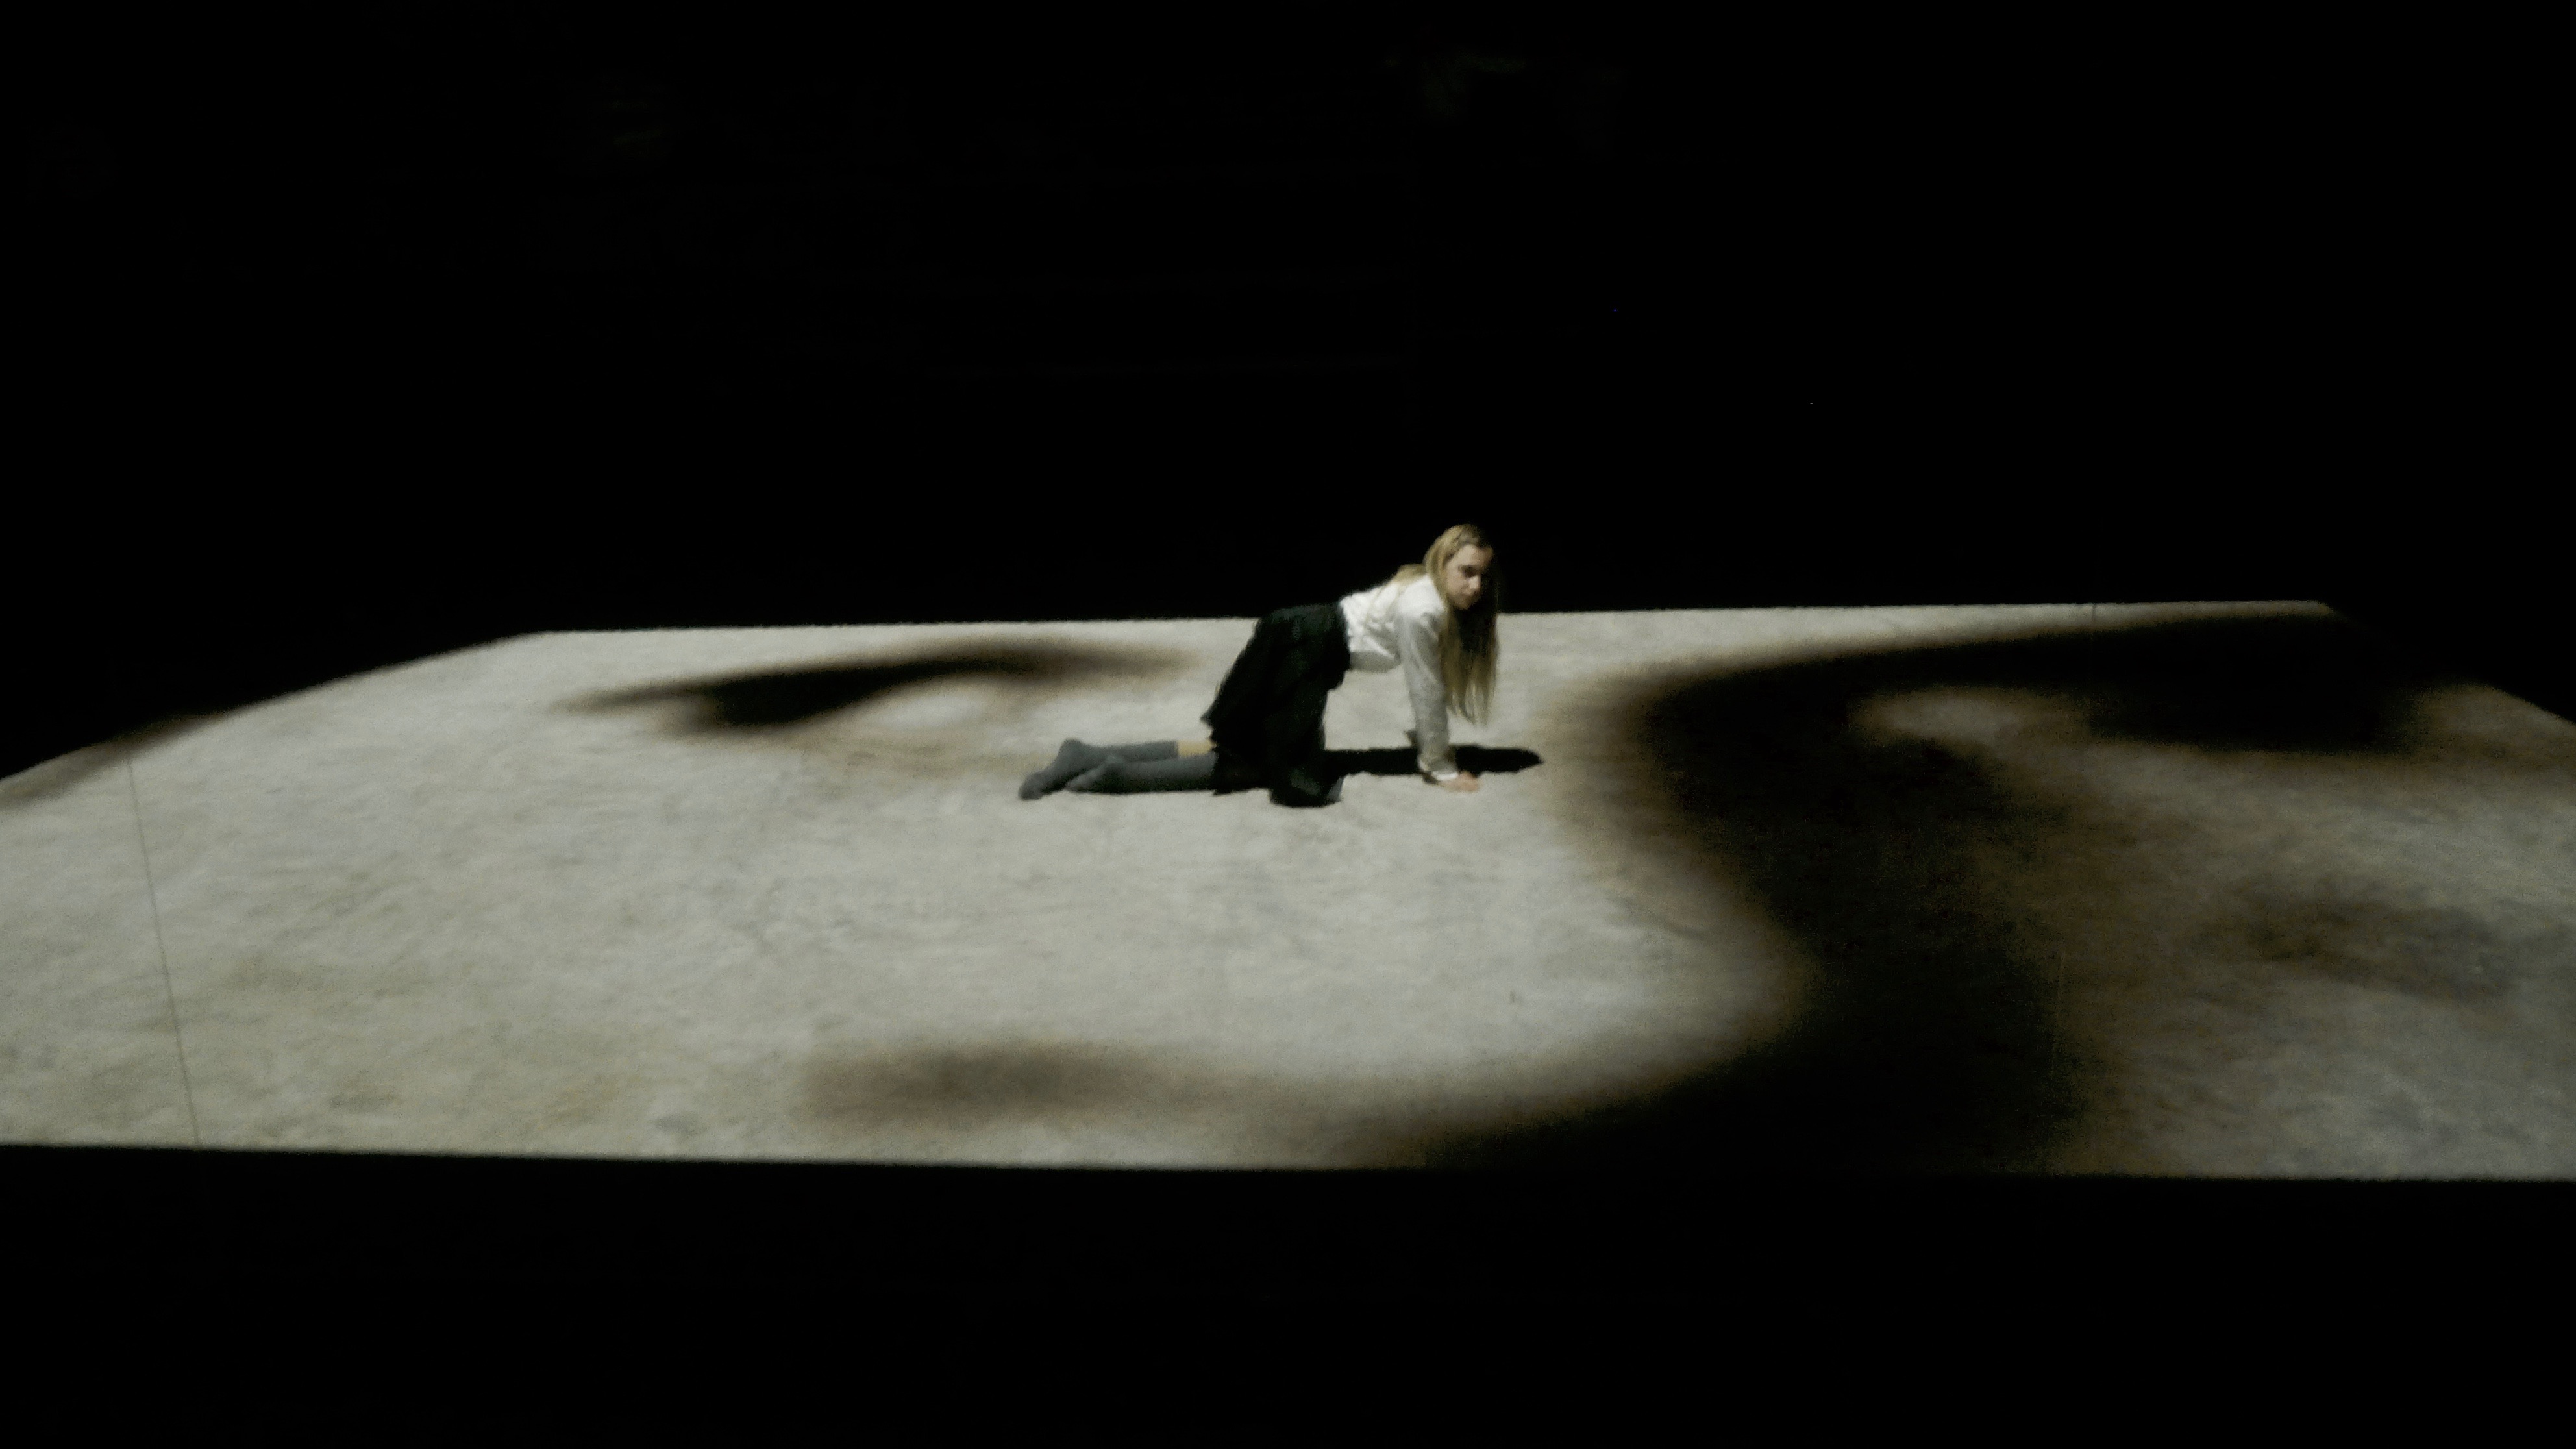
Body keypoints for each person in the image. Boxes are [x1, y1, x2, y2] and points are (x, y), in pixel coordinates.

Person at [1019, 524, 1501, 807]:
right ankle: (1117, 776)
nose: (1476, 586)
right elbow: (1425, 687)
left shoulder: (1423, 590)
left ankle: (1084, 755)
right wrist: (1439, 767)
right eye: (1467, 572)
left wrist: (1429, 745)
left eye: (1483, 575)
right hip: (1307, 648)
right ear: (1442, 564)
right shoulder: (1423, 609)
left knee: (1239, 749)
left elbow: (1426, 681)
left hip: (1299, 633)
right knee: (1264, 769)